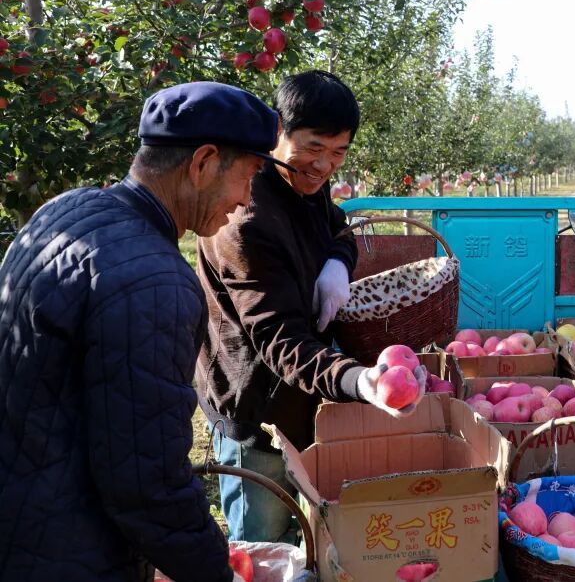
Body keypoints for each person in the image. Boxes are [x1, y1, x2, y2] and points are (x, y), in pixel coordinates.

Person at [0, 82, 288, 582]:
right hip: (70, 554)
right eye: (248, 176)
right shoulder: (153, 280)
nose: (245, 200)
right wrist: (212, 571)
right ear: (203, 163)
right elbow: (148, 482)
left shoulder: (64, 212)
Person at [196, 69, 426, 544]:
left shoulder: (305, 186)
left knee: (310, 539)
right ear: (278, 129)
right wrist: (359, 381)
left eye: (339, 152)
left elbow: (339, 225)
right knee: (262, 545)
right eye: (314, 147)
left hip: (304, 395)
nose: (323, 166)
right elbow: (280, 342)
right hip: (255, 408)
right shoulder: (245, 217)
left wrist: (338, 263)